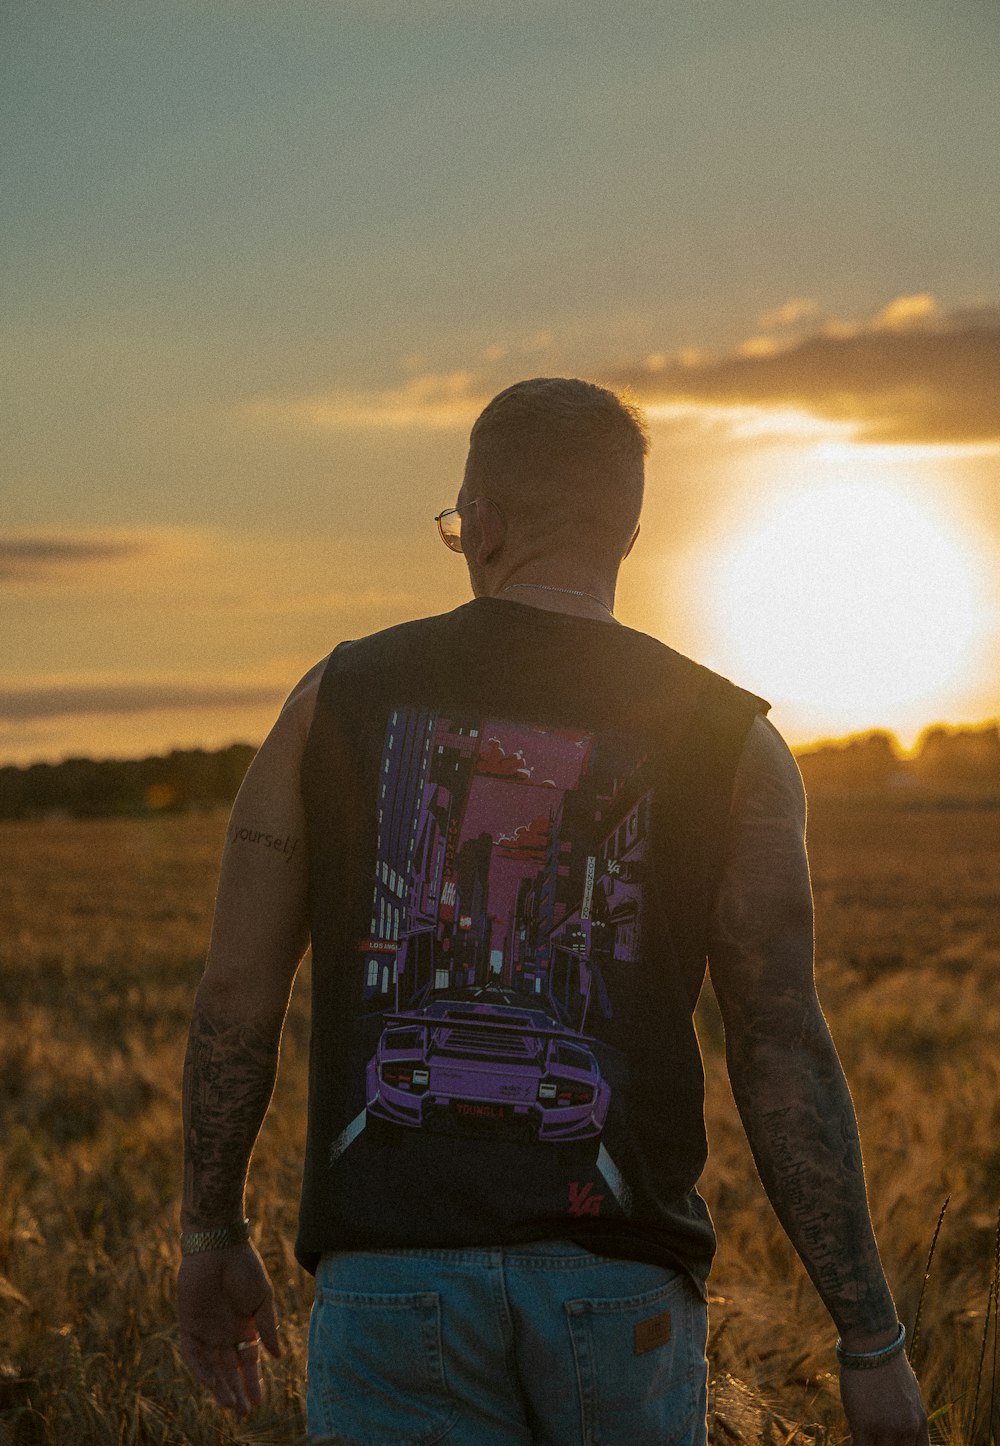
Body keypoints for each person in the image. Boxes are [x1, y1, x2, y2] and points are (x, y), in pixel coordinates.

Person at [176, 377, 930, 1445]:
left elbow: (236, 998)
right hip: (618, 1283)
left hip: (392, 1279)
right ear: (626, 528)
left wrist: (210, 1226)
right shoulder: (734, 741)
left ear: (480, 523)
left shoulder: (331, 702)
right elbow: (779, 1047)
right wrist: (870, 1341)